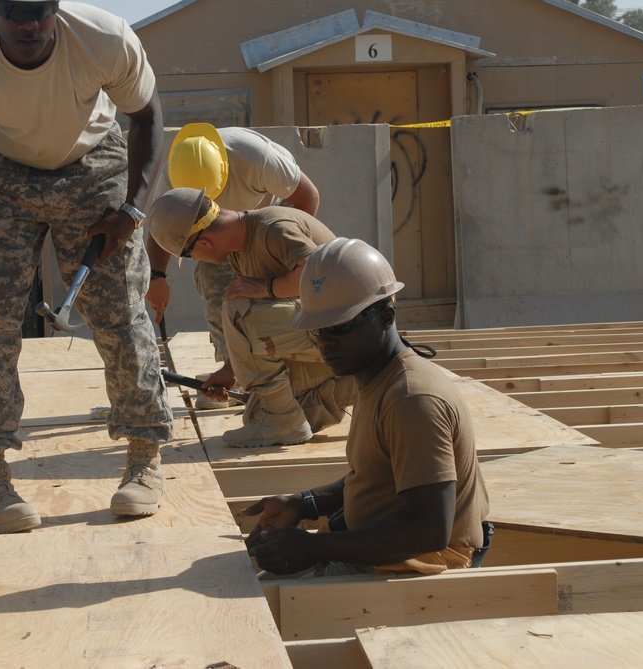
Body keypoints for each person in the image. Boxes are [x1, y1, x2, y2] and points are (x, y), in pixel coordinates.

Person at [0, 0, 173, 533]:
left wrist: (131, 211)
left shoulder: (105, 38)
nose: (29, 24)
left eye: (41, 9)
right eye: (14, 11)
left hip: (93, 161)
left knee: (120, 311)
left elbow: (147, 116)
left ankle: (144, 459)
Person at [243, 238, 491, 576]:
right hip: (386, 546)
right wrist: (304, 503)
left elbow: (430, 530)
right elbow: (375, 477)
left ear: (386, 316)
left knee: (258, 600)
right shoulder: (375, 375)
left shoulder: (411, 399)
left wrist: (314, 548)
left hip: (427, 560)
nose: (326, 342)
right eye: (318, 330)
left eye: (341, 327)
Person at [148, 187, 354, 448]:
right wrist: (230, 371)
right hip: (325, 340)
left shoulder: (274, 226)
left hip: (346, 336)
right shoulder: (240, 251)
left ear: (203, 243)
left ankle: (285, 417)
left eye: (188, 254)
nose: (195, 259)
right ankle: (354, 385)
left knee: (237, 306)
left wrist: (267, 288)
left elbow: (317, 275)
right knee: (257, 415)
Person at [145, 123, 320, 408]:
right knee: (219, 286)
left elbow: (308, 198)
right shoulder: (173, 177)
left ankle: (277, 371)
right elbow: (159, 230)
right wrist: (157, 277)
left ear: (225, 173)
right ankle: (236, 372)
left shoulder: (256, 159)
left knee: (275, 293)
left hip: (267, 224)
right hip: (222, 234)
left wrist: (279, 256)